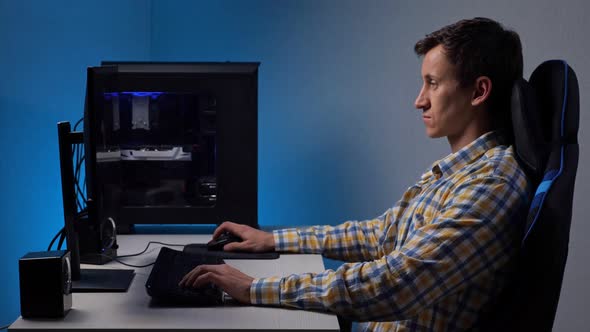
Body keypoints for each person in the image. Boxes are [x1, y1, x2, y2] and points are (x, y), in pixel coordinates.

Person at [180, 17, 531, 331]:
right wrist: (272, 241)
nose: (419, 100)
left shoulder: (490, 185)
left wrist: (255, 288)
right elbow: (379, 236)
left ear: (479, 91)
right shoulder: (460, 172)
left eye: (433, 83)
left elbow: (396, 285)